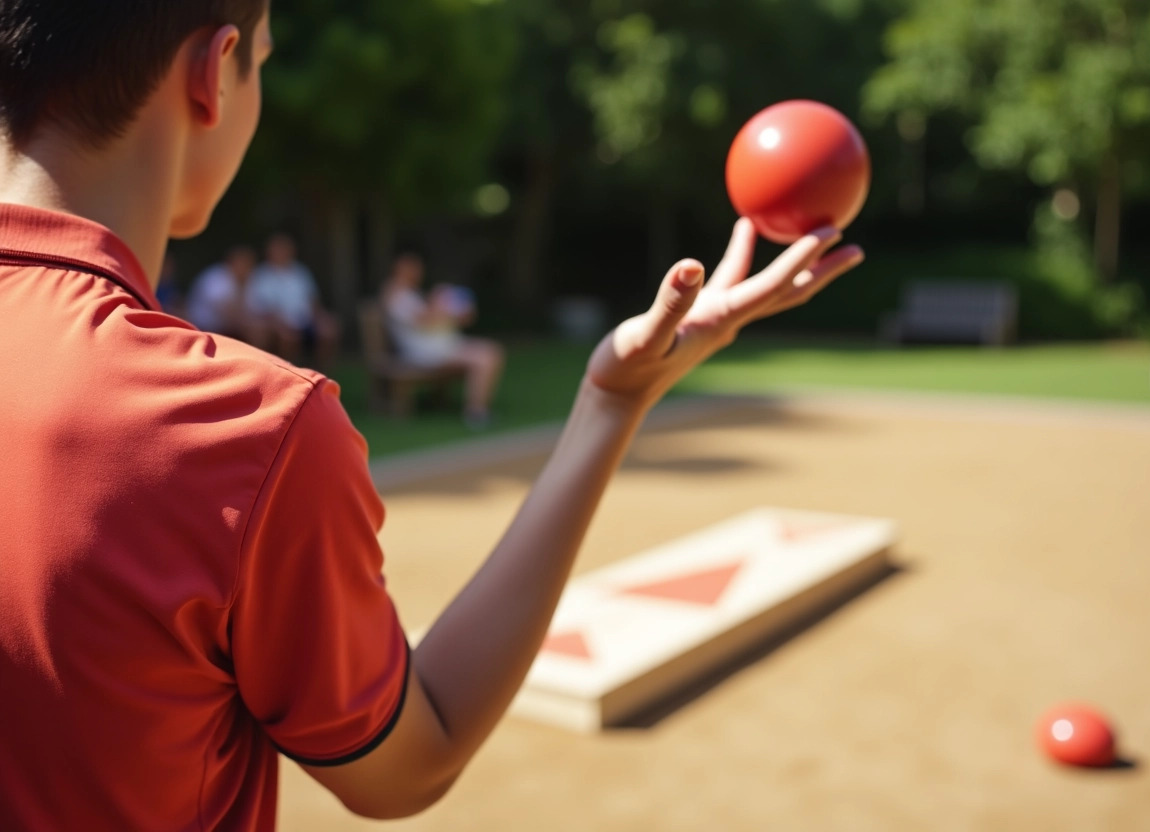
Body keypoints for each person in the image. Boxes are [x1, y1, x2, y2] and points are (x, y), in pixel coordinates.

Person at [0, 3, 864, 831]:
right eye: (260, 64)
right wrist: (612, 402)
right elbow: (412, 760)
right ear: (215, 70)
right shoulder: (238, 432)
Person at [381, 253, 505, 428]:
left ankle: (477, 410)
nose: (418, 271)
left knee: (490, 351)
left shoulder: (409, 293)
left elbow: (430, 318)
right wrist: (440, 303)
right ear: (399, 268)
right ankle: (476, 413)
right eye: (413, 267)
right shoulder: (395, 294)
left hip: (438, 346)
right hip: (424, 352)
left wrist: (452, 310)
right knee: (485, 358)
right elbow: (422, 320)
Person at [245, 232, 340, 368]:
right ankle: (290, 376)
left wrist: (321, 318)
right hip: (277, 324)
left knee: (329, 330)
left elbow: (313, 301)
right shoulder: (261, 275)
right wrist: (281, 324)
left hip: (306, 321)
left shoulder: (301, 272)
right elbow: (263, 308)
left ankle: (323, 376)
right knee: (288, 336)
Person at [186, 244, 258, 338]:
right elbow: (226, 313)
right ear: (233, 262)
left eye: (249, 264)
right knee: (255, 331)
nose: (247, 268)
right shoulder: (216, 277)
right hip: (203, 328)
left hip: (226, 329)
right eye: (244, 263)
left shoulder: (247, 280)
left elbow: (252, 309)